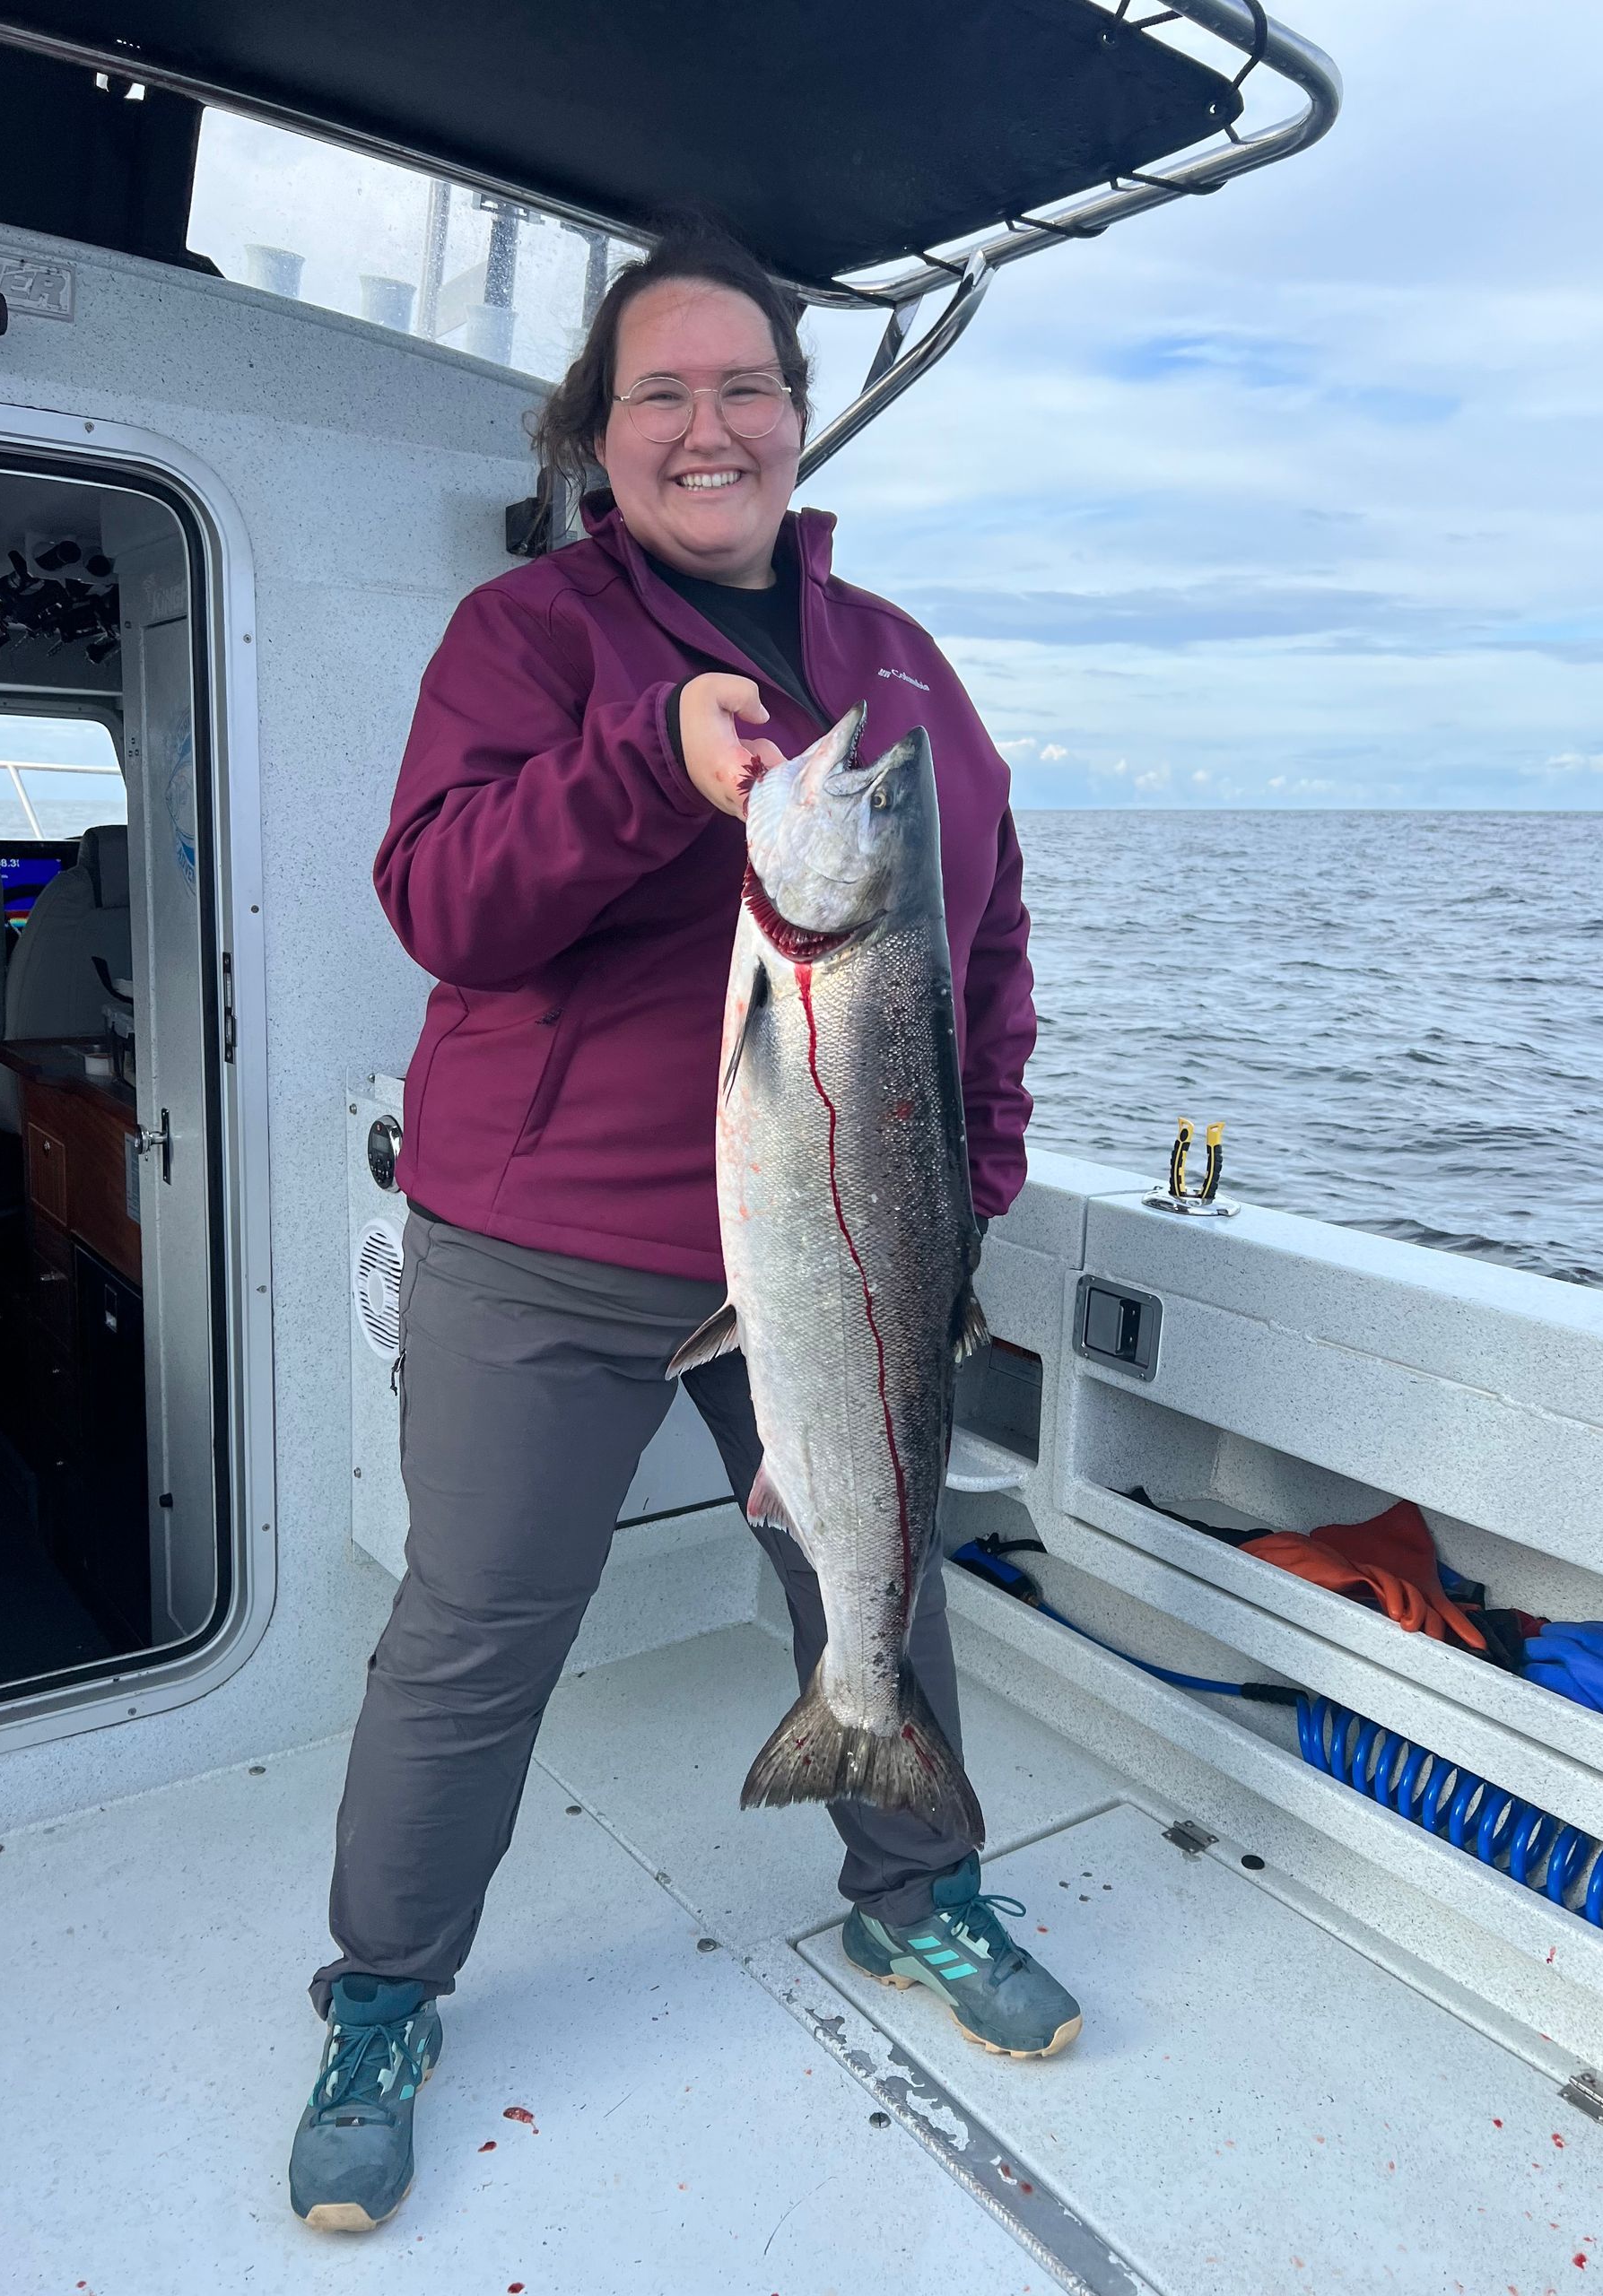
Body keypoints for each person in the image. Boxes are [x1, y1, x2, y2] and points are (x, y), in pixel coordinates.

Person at [289, 222, 1077, 2237]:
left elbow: (981, 944)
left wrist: (971, 1180)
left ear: (802, 422)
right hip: (542, 1242)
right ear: (599, 430)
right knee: (473, 1632)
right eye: (663, 392)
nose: (707, 425)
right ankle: (382, 1990)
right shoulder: (530, 642)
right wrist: (653, 760)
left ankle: (918, 1882)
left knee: (876, 1578)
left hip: (844, 1243)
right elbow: (448, 904)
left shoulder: (903, 667)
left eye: (747, 387)